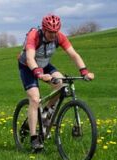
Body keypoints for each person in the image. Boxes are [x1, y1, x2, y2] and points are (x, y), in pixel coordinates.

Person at [18, 14, 94, 152]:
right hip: (28, 67)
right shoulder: (34, 36)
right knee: (35, 99)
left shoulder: (60, 37)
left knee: (61, 83)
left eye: (55, 32)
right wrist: (39, 74)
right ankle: (34, 138)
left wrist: (84, 71)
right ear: (44, 29)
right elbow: (29, 58)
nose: (53, 35)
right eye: (50, 32)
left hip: (45, 65)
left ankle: (46, 113)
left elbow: (73, 54)